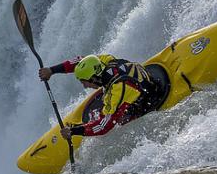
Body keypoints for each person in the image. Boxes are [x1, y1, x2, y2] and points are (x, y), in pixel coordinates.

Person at [38, 54, 169, 141]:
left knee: (118, 119)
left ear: (94, 78)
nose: (84, 86)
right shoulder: (106, 61)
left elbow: (103, 126)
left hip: (148, 99)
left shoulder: (118, 90)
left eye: (85, 82)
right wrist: (52, 70)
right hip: (144, 80)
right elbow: (81, 60)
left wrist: (74, 131)